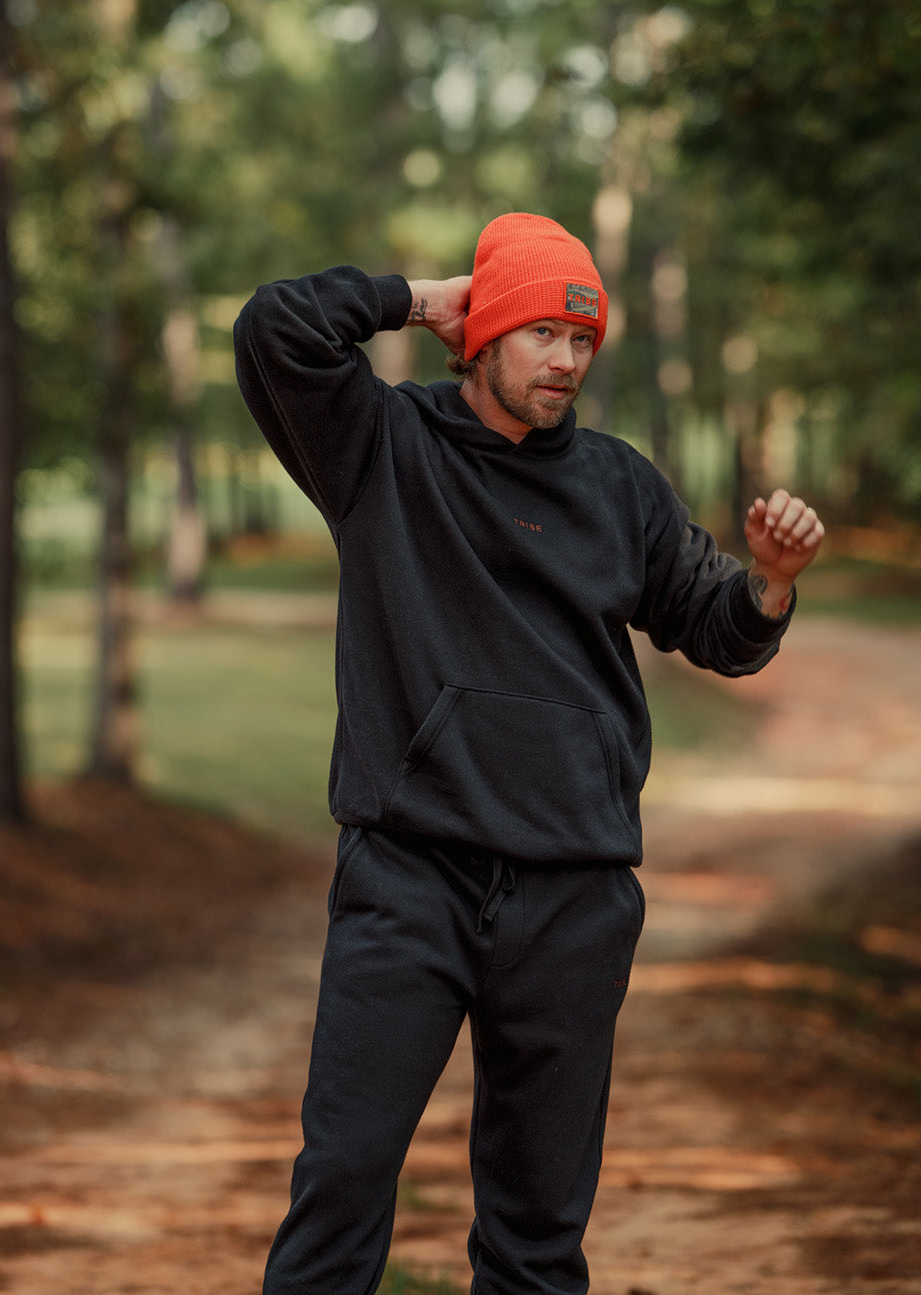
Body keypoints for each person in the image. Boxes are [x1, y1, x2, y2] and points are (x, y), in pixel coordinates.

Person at [233, 211, 824, 1295]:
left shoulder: (618, 484)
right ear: (486, 332)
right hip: (408, 878)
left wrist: (771, 582)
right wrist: (417, 297)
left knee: (537, 1228)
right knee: (344, 1180)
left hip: (573, 890)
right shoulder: (378, 445)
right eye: (541, 331)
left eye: (582, 340)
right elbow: (275, 329)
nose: (564, 361)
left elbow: (716, 626)